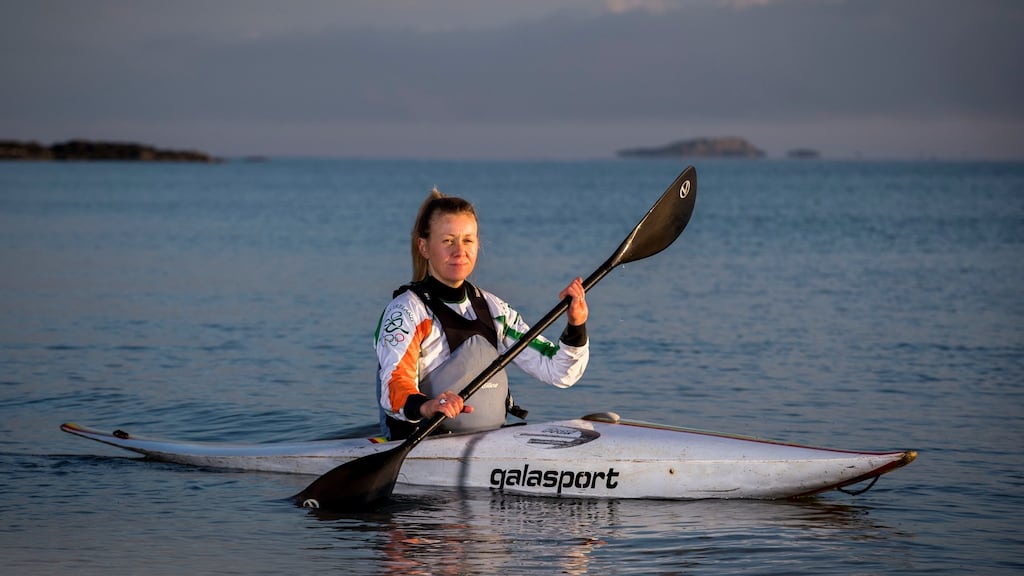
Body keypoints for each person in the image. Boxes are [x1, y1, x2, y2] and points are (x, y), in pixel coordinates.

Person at [375, 188, 590, 440]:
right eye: (447, 241)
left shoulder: (494, 309)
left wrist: (576, 324)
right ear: (424, 247)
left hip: (488, 445)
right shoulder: (406, 311)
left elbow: (559, 371)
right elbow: (394, 387)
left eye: (468, 240)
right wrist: (428, 406)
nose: (459, 251)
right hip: (421, 443)